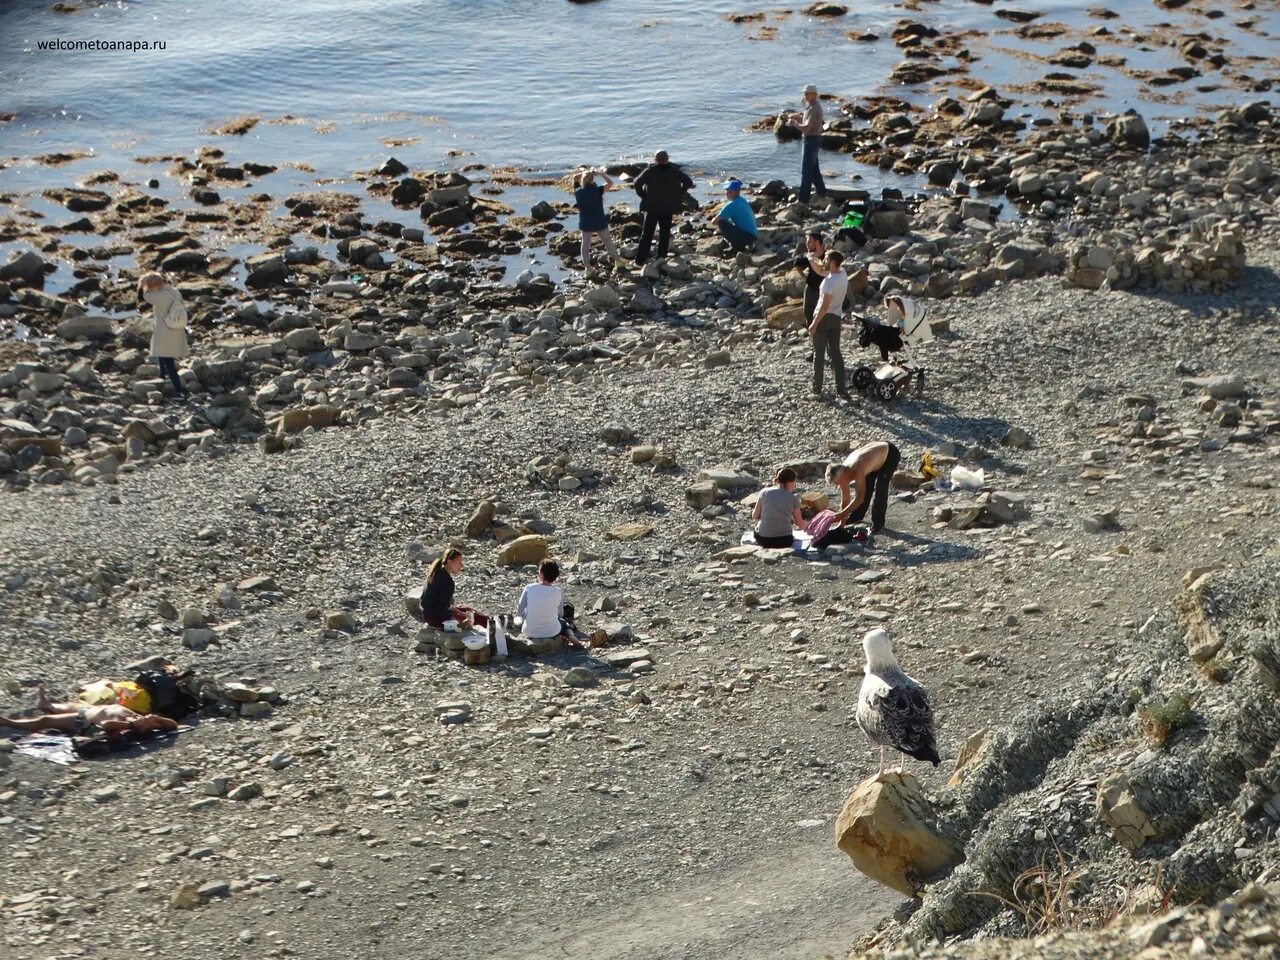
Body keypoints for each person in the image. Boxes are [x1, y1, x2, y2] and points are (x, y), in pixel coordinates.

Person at [1, 683, 178, 734]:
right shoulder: (148, 721)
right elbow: (173, 726)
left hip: (83, 721)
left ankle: (10, 722)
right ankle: (46, 705)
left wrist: (133, 725)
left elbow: (106, 725)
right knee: (68, 706)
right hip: (93, 709)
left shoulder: (126, 725)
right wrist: (157, 718)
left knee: (45, 721)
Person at [825, 440, 903, 533]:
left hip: (889, 454)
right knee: (867, 488)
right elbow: (845, 500)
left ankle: (878, 523)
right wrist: (841, 524)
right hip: (873, 458)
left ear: (844, 475)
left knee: (881, 488)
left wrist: (841, 514)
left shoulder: (858, 468)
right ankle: (856, 517)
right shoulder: (843, 472)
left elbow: (859, 498)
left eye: (838, 483)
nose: (838, 485)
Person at [632, 150, 694, 263]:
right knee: (664, 233)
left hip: (652, 207)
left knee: (647, 234)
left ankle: (640, 260)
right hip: (668, 207)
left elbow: (637, 184)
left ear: (655, 160)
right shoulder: (674, 171)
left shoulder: (650, 171)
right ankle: (661, 258)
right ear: (667, 159)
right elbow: (688, 182)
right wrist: (681, 193)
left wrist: (643, 196)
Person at [138, 272, 189, 399]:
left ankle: (179, 392)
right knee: (162, 351)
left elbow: (142, 296)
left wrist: (142, 285)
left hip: (165, 329)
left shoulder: (158, 296)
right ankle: (162, 374)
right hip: (176, 326)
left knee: (168, 359)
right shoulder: (175, 291)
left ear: (152, 285)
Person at [808, 250, 850, 399]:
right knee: (836, 353)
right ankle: (841, 390)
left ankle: (817, 389)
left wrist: (814, 323)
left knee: (819, 355)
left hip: (823, 319)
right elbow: (821, 270)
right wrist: (811, 259)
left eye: (826, 259)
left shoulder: (828, 282)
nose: (824, 261)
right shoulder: (843, 274)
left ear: (832, 262)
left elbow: (824, 306)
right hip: (836, 318)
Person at [420, 547, 489, 630]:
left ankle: (490, 620)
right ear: (449, 562)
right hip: (436, 619)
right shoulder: (447, 581)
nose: (461, 565)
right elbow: (440, 611)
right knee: (470, 621)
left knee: (466, 609)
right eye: (459, 562)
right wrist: (460, 624)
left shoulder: (438, 573)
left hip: (428, 615)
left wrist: (462, 613)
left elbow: (443, 604)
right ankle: (491, 624)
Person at [516, 559, 577, 643]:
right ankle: (571, 636)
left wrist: (527, 615)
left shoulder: (529, 588)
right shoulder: (558, 591)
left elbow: (519, 611)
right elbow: (560, 614)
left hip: (529, 632)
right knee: (563, 622)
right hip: (552, 632)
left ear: (541, 573)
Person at [574, 169, 620, 273]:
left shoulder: (578, 192)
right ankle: (618, 261)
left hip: (585, 222)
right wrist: (600, 173)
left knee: (585, 245)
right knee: (608, 242)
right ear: (592, 179)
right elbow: (610, 183)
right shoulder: (598, 190)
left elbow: (574, 178)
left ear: (583, 180)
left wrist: (584, 173)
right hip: (599, 221)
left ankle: (588, 268)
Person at [788, 84, 826, 204]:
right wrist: (798, 117)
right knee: (814, 170)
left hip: (811, 140)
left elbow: (807, 128)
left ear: (813, 94)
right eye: (804, 94)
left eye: (806, 94)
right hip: (814, 139)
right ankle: (822, 192)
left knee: (806, 172)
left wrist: (794, 124)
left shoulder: (813, 108)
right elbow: (809, 121)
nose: (804, 96)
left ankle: (803, 200)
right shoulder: (811, 106)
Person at [752, 468, 807, 548]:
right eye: (794, 481)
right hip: (784, 541)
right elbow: (799, 523)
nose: (795, 485)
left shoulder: (764, 492)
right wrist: (812, 529)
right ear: (788, 482)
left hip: (762, 539)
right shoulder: (793, 499)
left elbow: (755, 516)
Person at [712, 179, 757, 253]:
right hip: (753, 235)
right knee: (727, 222)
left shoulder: (732, 204)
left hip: (746, 237)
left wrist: (715, 217)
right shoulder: (742, 200)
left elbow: (714, 222)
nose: (726, 193)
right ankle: (740, 245)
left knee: (721, 223)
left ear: (730, 192)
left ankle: (738, 247)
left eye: (727, 190)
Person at [795, 231, 829, 326]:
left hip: (825, 290)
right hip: (810, 289)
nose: (807, 245)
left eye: (809, 242)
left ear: (817, 243)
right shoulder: (809, 256)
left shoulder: (828, 255)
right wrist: (803, 276)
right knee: (808, 314)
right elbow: (797, 264)